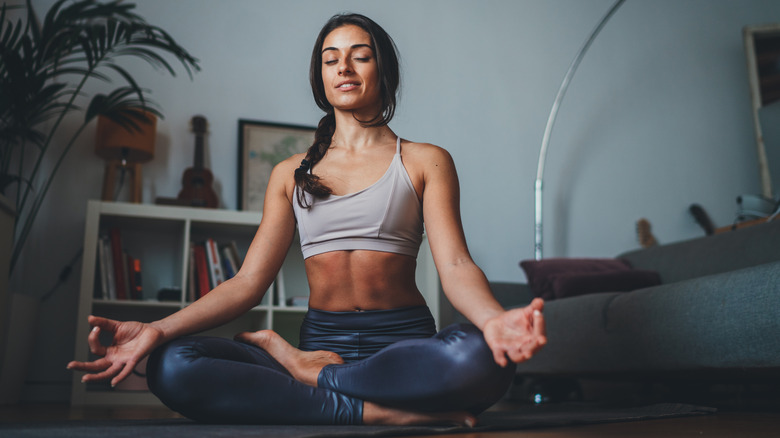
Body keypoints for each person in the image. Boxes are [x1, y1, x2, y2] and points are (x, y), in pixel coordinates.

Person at [67, 13, 547, 426]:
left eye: (360, 55)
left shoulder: (425, 160)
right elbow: (247, 283)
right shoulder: (289, 174)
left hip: (401, 349)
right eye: (330, 57)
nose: (343, 66)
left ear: (385, 70)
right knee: (172, 364)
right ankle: (373, 411)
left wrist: (495, 321)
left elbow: (457, 266)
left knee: (485, 358)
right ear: (319, 76)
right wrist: (159, 330)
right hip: (324, 341)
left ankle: (312, 379)